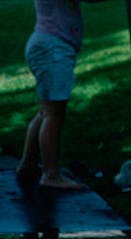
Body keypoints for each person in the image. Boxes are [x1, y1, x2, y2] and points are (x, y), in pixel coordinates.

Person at [16, 0, 107, 190]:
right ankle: (51, 175)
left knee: (47, 112)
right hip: (52, 48)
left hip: (51, 45)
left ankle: (28, 165)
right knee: (53, 115)